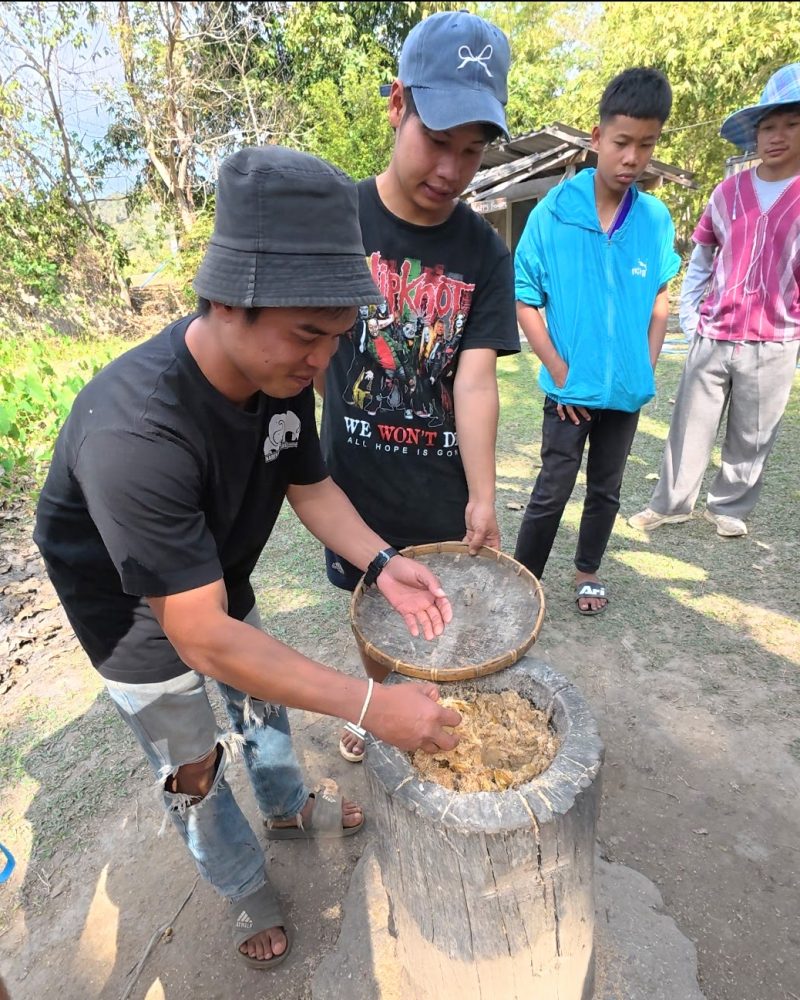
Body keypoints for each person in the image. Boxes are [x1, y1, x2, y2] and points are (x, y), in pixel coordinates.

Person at [33, 146, 462, 971]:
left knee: (262, 705)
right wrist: (372, 706)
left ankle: (287, 804)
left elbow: (310, 485)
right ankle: (242, 886)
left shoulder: (280, 370)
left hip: (214, 579)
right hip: (136, 622)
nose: (321, 362)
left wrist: (382, 561)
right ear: (227, 300)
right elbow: (200, 638)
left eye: (338, 338)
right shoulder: (136, 433)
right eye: (309, 335)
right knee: (192, 763)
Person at [314, 10, 520, 761]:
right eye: (437, 141)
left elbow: (473, 379)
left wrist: (482, 494)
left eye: (470, 152)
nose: (451, 171)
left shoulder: (482, 252)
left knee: (436, 617)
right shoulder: (337, 218)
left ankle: (427, 707)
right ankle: (374, 705)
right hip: (354, 488)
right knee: (373, 619)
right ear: (397, 104)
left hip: (438, 496)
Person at [513, 68, 681, 615]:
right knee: (552, 489)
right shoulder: (553, 213)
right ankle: (523, 580)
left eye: (647, 144)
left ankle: (587, 572)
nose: (633, 158)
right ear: (597, 138)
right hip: (569, 393)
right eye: (622, 142)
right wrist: (561, 373)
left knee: (605, 490)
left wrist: (646, 364)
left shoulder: (655, 219)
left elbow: (660, 298)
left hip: (624, 394)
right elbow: (525, 299)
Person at [629, 64, 800, 538]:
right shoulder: (728, 191)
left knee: (753, 432)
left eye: (791, 124)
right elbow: (702, 257)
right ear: (755, 134)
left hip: (777, 338)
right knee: (689, 424)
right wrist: (691, 316)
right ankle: (671, 503)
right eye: (768, 126)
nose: (777, 136)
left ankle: (729, 506)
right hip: (715, 330)